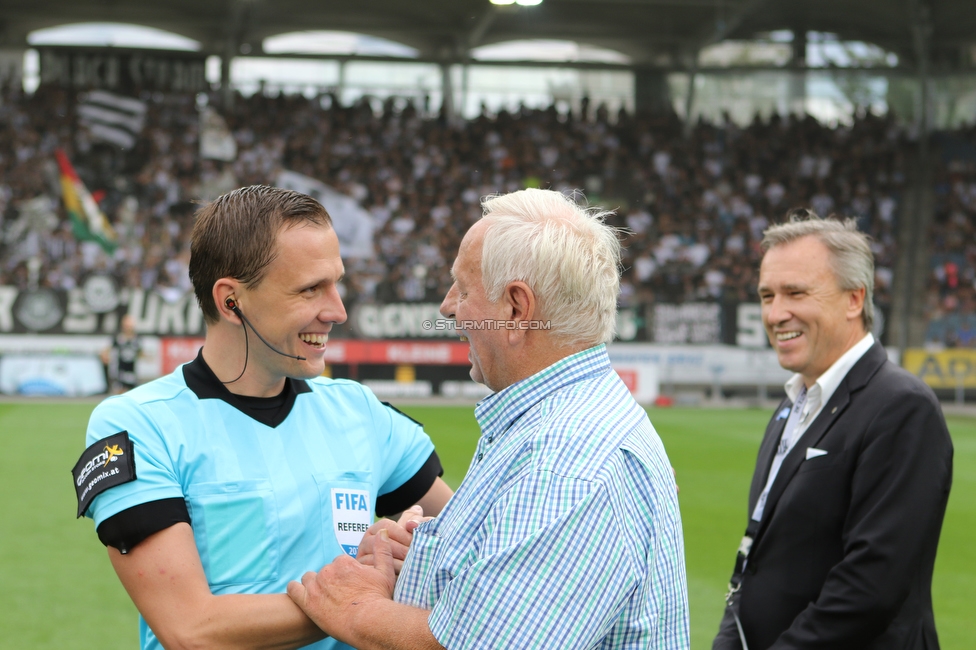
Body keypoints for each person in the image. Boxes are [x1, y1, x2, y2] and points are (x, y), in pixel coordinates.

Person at [287, 188, 690, 649]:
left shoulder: (564, 462)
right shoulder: (549, 427)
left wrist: (360, 609)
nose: (447, 306)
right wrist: (426, 560)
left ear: (516, 309)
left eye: (462, 287)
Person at [73, 186, 453, 650]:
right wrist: (364, 599)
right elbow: (192, 628)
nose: (337, 310)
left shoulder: (360, 410)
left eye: (337, 283)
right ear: (231, 300)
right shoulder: (136, 426)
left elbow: (468, 547)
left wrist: (413, 551)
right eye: (311, 288)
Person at [712, 212, 953, 650]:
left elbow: (869, 587)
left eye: (795, 293)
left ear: (854, 300)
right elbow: (754, 554)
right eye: (767, 295)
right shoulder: (794, 402)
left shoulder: (902, 407)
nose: (775, 313)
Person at [100, 313, 141, 394]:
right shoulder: (118, 338)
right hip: (119, 373)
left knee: (133, 395)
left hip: (132, 373)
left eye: (130, 325)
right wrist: (105, 356)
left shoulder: (137, 339)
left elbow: (140, 352)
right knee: (120, 394)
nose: (128, 327)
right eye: (126, 325)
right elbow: (106, 350)